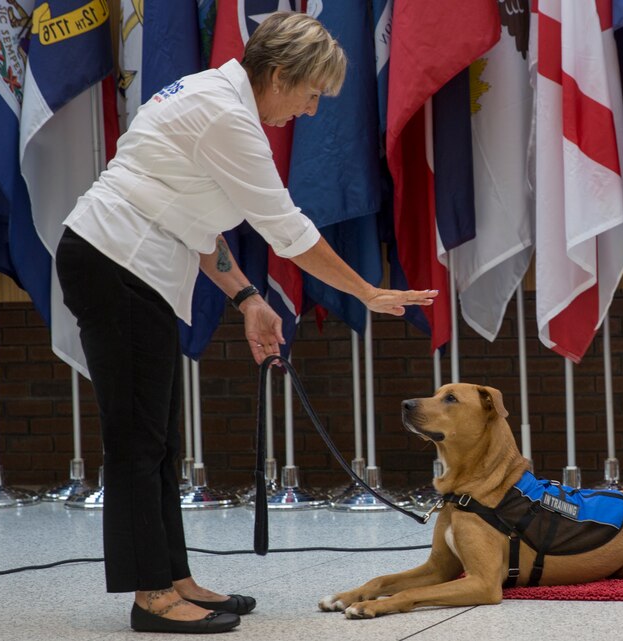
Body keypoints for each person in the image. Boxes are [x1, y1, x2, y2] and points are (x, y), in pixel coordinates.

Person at [55, 12, 436, 635]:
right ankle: (150, 597)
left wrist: (246, 298)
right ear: (280, 75)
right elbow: (288, 232)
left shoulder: (211, 94)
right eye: (311, 94)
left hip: (132, 264)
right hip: (115, 262)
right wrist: (367, 291)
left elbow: (190, 218)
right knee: (136, 439)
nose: (311, 111)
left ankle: (173, 578)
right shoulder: (226, 116)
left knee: (160, 438)